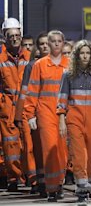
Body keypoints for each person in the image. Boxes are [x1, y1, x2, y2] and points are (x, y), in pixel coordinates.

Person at [57, 40, 91, 206]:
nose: (85, 56)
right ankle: (81, 186)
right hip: (74, 120)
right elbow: (62, 100)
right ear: (77, 55)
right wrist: (62, 121)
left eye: (88, 53)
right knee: (79, 153)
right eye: (82, 53)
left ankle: (88, 180)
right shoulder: (68, 75)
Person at [24, 30, 70, 202]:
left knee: (63, 150)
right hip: (45, 113)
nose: (56, 44)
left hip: (65, 114)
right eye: (53, 41)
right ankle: (52, 187)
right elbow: (33, 91)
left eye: (59, 41)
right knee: (50, 149)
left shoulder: (69, 65)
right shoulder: (40, 65)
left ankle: (59, 182)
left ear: (63, 43)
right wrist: (30, 115)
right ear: (48, 44)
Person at [15, 32, 49, 195]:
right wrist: (21, 115)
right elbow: (25, 92)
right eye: (41, 43)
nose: (44, 46)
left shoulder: (60, 64)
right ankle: (37, 180)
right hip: (35, 111)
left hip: (52, 112)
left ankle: (53, 180)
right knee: (33, 146)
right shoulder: (31, 66)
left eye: (46, 43)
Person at [0, 18, 30, 192]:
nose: (14, 39)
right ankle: (13, 178)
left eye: (17, 35)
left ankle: (29, 176)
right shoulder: (1, 59)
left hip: (26, 105)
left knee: (28, 143)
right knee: (10, 144)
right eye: (11, 36)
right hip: (8, 106)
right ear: (5, 37)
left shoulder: (29, 57)